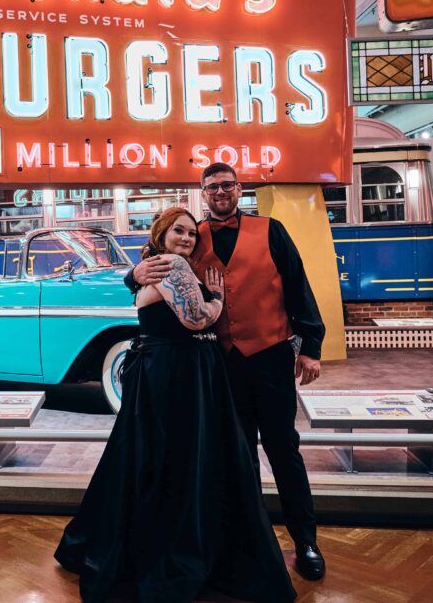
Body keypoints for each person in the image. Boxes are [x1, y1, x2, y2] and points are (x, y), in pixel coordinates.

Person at [56, 207, 297, 603]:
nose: (187, 239)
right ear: (162, 234)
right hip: (178, 374)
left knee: (156, 460)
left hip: (165, 373)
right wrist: (216, 298)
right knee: (184, 460)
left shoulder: (153, 265)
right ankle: (183, 548)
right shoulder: (172, 266)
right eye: (179, 231)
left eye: (191, 235)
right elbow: (196, 319)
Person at [127, 164, 327, 581]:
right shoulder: (190, 236)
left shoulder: (271, 230)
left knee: (283, 450)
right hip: (219, 364)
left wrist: (310, 347)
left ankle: (306, 540)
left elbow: (298, 286)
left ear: (239, 189)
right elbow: (150, 270)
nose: (220, 192)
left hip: (270, 356)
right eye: (211, 187)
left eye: (226, 185)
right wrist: (132, 274)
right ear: (203, 193)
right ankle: (247, 541)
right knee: (234, 454)